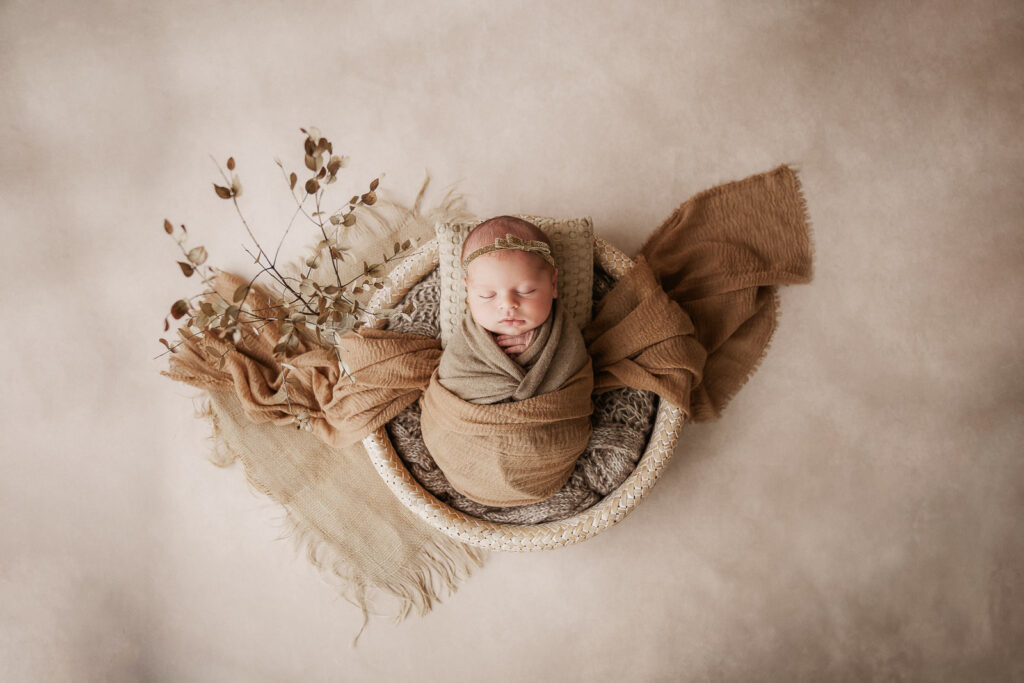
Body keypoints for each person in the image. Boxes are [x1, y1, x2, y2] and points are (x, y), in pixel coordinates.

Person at [435, 216, 590, 406]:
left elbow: (574, 370)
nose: (508, 304)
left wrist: (536, 348)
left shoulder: (562, 332)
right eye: (487, 295)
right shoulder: (464, 344)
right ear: (468, 291)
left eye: (526, 291)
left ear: (553, 284)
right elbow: (452, 381)